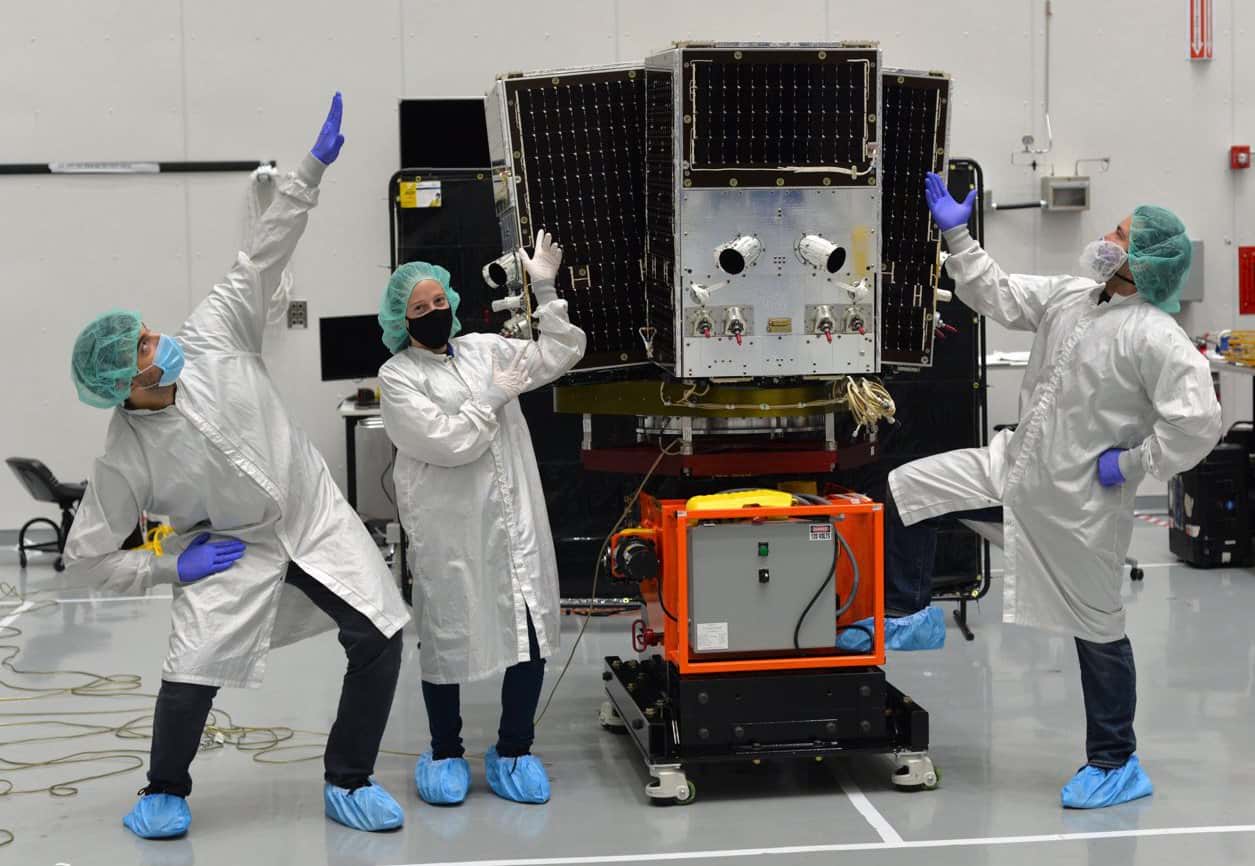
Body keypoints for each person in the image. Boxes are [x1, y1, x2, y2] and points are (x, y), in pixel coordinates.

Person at [65, 93, 411, 837]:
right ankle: (164, 790)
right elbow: (86, 558)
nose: (157, 339)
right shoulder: (124, 456)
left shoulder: (214, 332)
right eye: (143, 346)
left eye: (148, 330)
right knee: (191, 669)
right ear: (126, 384)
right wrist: (169, 566)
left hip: (313, 513)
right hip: (230, 545)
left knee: (379, 636)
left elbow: (264, 251)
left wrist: (310, 169)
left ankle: (348, 779)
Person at [841, 173, 1222, 809]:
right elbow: (1001, 294)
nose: (1106, 237)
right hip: (1014, 469)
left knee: (1098, 630)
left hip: (1079, 506)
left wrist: (1132, 464)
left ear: (1140, 263)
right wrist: (958, 235)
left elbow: (1198, 422)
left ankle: (1115, 761)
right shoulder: (1074, 296)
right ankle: (910, 612)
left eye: (1119, 234)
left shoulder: (1155, 336)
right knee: (907, 489)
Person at [377, 232, 586, 807]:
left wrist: (545, 290)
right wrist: (492, 399)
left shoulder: (484, 349)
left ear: (451, 301)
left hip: (515, 522)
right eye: (419, 308)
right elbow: (449, 443)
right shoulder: (398, 377)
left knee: (530, 628)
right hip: (452, 533)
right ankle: (445, 750)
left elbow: (560, 354)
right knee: (447, 635)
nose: (432, 313)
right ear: (401, 319)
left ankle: (514, 749)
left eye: (438, 302)